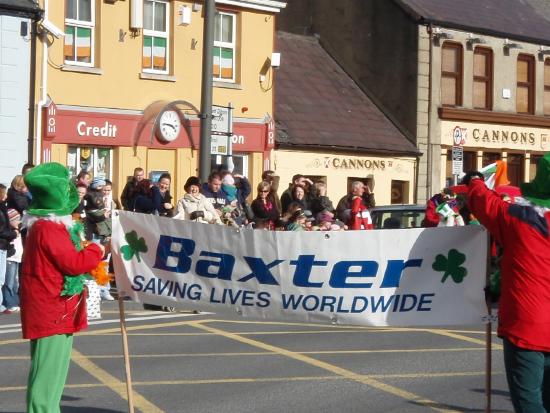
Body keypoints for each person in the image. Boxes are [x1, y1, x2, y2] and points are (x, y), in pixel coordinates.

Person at [463, 152, 550, 413]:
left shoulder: (519, 217)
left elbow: (483, 202)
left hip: (528, 324)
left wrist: (475, 180)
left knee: (529, 402)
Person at [20, 162, 104, 412]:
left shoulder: (42, 226)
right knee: (48, 377)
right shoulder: (50, 228)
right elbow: (74, 263)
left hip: (52, 307)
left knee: (49, 374)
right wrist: (96, 249)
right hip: (53, 309)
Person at [0, 184, 17, 315]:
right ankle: (1, 304)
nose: (6, 196)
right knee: (1, 278)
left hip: (3, 245)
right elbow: (2, 230)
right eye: (4, 193)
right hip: (1, 244)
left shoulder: (3, 208)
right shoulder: (1, 209)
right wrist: (13, 233)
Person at [3, 208, 22, 313]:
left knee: (16, 282)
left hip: (17, 258)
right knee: (9, 282)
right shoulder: (10, 232)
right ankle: (9, 303)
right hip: (10, 258)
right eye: (16, 219)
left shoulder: (17, 230)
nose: (18, 221)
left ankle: (15, 301)